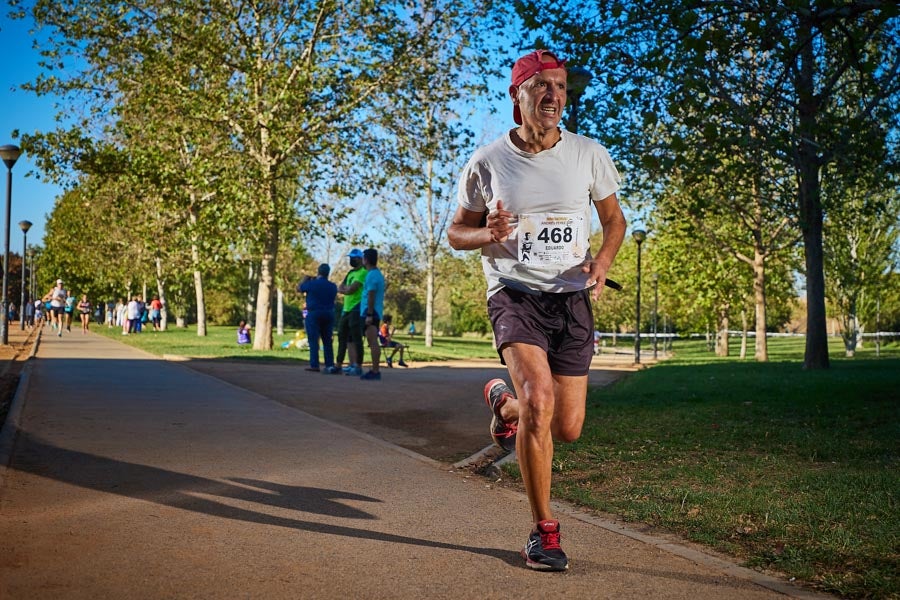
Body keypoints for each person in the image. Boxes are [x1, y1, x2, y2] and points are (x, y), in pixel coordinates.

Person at [447, 49, 627, 572]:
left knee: (566, 427)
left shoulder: (589, 154)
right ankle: (543, 531)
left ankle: (504, 405)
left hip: (570, 297)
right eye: (542, 86)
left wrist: (603, 263)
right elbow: (457, 232)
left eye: (561, 87)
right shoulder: (487, 161)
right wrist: (488, 233)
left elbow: (614, 222)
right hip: (514, 294)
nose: (553, 95)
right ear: (517, 95)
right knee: (540, 400)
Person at [298, 263, 338, 373]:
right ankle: (329, 364)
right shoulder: (333, 286)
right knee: (327, 340)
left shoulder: (312, 284)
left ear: (318, 272)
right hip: (329, 313)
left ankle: (314, 364)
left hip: (314, 312)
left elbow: (299, 288)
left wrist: (305, 279)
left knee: (313, 339)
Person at [335, 249, 368, 377]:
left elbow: (351, 289)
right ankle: (339, 364)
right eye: (350, 258)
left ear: (360, 259)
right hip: (346, 308)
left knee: (356, 338)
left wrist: (345, 290)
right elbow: (341, 287)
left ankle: (358, 365)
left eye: (354, 258)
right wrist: (345, 289)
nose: (351, 260)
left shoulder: (363, 272)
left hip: (356, 308)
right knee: (342, 336)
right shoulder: (350, 272)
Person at [358, 248, 385, 381]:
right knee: (371, 341)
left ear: (366, 259)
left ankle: (375, 371)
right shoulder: (375, 274)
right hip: (372, 311)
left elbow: (371, 295)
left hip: (371, 312)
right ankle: (374, 369)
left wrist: (369, 314)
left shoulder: (372, 275)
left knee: (373, 341)